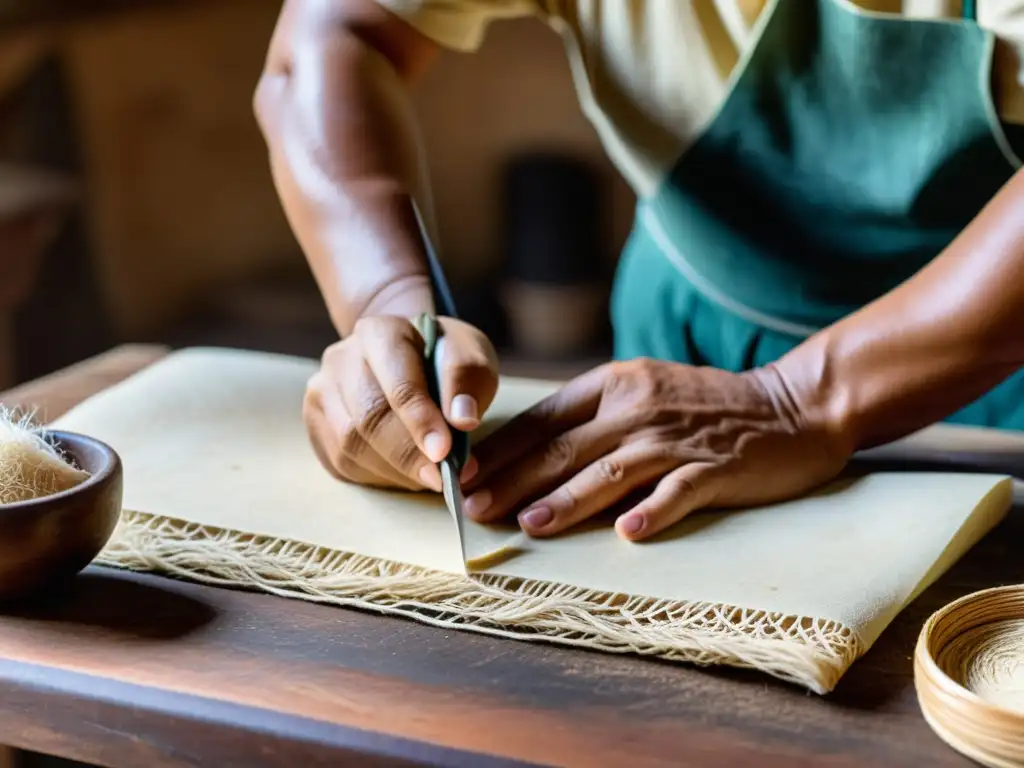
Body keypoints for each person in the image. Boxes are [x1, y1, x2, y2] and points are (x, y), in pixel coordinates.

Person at [255, 0, 1024, 543]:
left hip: (988, 358)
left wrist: (796, 401)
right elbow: (336, 34)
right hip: (694, 320)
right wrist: (390, 305)